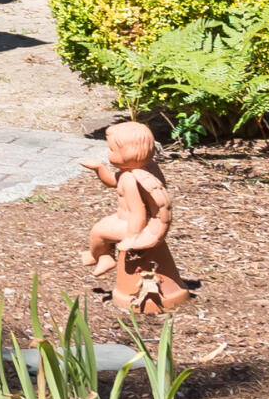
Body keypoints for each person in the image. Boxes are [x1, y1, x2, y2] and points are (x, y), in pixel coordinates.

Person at [82, 120, 192, 313]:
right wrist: (99, 169)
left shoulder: (130, 179)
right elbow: (112, 181)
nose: (108, 153)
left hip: (133, 226)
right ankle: (102, 256)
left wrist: (132, 238)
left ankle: (101, 256)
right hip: (130, 221)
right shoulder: (142, 169)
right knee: (102, 226)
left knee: (98, 231)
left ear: (128, 154)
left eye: (112, 150)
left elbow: (137, 212)